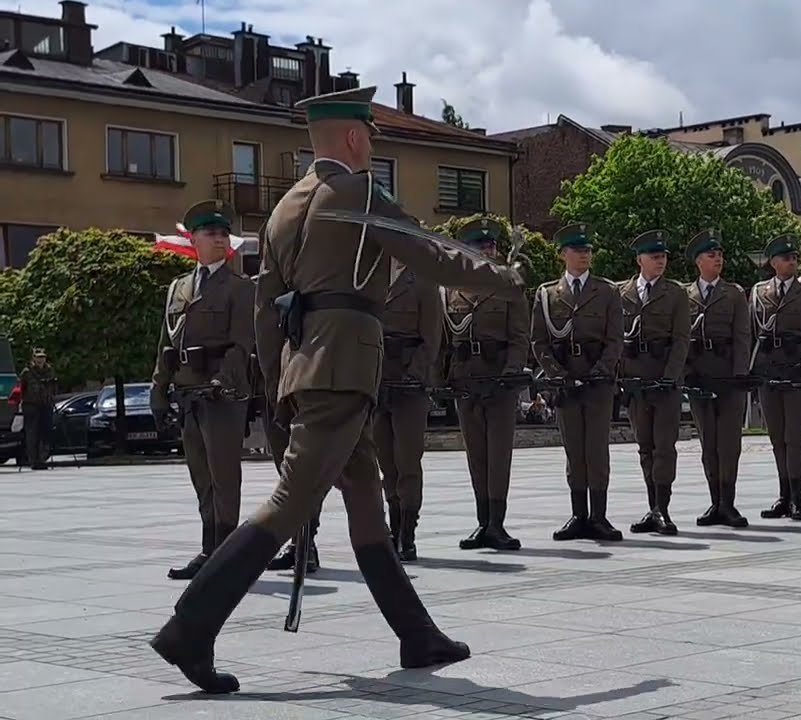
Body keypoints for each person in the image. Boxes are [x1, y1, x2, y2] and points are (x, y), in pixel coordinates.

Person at [149, 86, 525, 694]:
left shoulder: (285, 209)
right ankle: (188, 630)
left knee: (365, 501)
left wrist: (278, 384)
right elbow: (431, 257)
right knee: (290, 503)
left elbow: (266, 313)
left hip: (306, 369)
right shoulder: (359, 194)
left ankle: (417, 634)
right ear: (353, 137)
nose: (372, 143)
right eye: (371, 134)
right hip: (344, 367)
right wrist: (508, 278)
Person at [150, 200, 255, 581]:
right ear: (192, 238)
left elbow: (242, 344)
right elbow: (167, 343)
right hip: (189, 394)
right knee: (201, 477)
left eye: (224, 233)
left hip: (221, 396)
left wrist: (221, 382)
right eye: (211, 233)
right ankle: (209, 550)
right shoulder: (178, 288)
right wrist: (158, 391)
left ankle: (225, 555)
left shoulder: (239, 289)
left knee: (224, 477)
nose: (219, 239)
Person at [530, 223, 625, 541]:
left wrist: (602, 370)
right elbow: (539, 340)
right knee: (574, 450)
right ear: (563, 255)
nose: (584, 255)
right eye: (578, 250)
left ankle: (599, 515)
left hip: (597, 382)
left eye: (587, 250)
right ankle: (578, 514)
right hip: (565, 382)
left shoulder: (607, 291)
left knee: (596, 449)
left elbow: (614, 339)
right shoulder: (547, 294)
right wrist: (556, 374)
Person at [446, 218, 530, 551]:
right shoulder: (451, 288)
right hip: (466, 379)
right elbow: (444, 338)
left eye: (492, 245)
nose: (488, 250)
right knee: (476, 455)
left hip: (499, 379)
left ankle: (497, 523)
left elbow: (519, 336)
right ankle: (483, 522)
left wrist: (510, 373)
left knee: (498, 454)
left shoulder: (510, 286)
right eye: (481, 246)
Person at [616, 230, 690, 536]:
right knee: (645, 447)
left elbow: (681, 339)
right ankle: (652, 507)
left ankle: (663, 508)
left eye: (663, 257)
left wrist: (669, 377)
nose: (660, 261)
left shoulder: (675, 293)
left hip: (663, 381)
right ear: (640, 260)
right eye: (654, 257)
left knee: (664, 448)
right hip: (635, 381)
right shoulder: (622, 293)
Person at [373, 250, 443, 561]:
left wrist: (413, 375)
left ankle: (408, 534)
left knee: (407, 462)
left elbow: (431, 339)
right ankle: (393, 525)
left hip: (410, 386)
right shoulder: (369, 279)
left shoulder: (424, 283)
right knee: (385, 462)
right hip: (376, 384)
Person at [752, 235, 801, 521]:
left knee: (794, 439)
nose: (791, 261)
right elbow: (752, 333)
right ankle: (783, 495)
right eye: (785, 258)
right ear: (772, 262)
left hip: (796, 373)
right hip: (770, 373)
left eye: (794, 257)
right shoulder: (758, 292)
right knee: (777, 439)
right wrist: (752, 369)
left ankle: (797, 498)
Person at [683, 230, 752, 528]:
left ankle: (729, 503)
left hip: (727, 376)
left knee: (729, 443)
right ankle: (715, 502)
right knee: (708, 443)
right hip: (699, 375)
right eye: (711, 255)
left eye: (720, 254)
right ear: (699, 261)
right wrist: (685, 374)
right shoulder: (684, 295)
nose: (718, 259)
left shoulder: (734, 293)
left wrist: (740, 374)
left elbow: (742, 336)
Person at [17, 348, 56, 470]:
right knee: (32, 433)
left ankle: (42, 458)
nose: (41, 359)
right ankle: (34, 461)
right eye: (38, 357)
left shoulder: (50, 370)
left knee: (46, 431)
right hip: (31, 405)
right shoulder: (27, 372)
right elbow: (20, 389)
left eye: (43, 357)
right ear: (33, 358)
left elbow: (54, 386)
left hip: (46, 404)